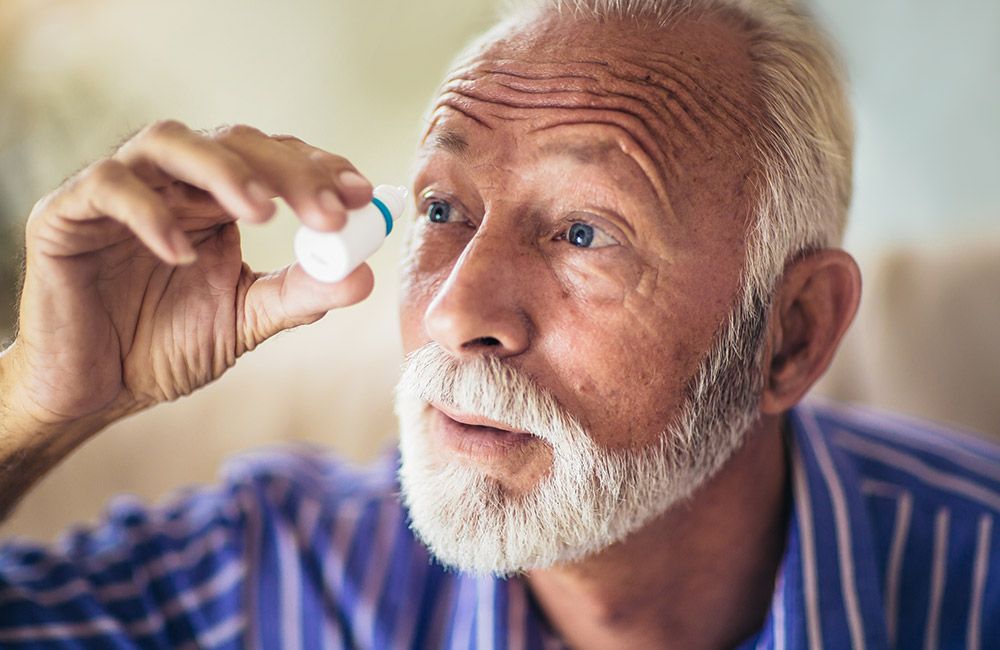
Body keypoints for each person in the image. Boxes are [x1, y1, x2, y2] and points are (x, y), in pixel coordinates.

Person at [0, 0, 997, 647]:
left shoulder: (975, 579)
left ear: (790, 334)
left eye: (580, 230)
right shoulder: (277, 573)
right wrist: (41, 397)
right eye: (442, 209)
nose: (453, 308)